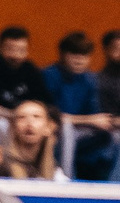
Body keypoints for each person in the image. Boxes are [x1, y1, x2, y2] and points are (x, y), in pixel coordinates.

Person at [42, 31, 117, 182]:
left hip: (82, 130)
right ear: (63, 55)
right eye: (74, 55)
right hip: (54, 129)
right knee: (67, 128)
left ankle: (114, 183)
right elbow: (52, 116)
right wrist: (89, 120)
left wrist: (104, 122)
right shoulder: (49, 75)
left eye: (84, 56)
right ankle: (67, 179)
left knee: (116, 136)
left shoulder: (90, 79)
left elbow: (95, 115)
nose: (79, 60)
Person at [0, 25, 53, 115]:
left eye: (21, 50)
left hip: (24, 115)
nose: (16, 55)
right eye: (10, 49)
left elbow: (44, 101)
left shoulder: (30, 70)